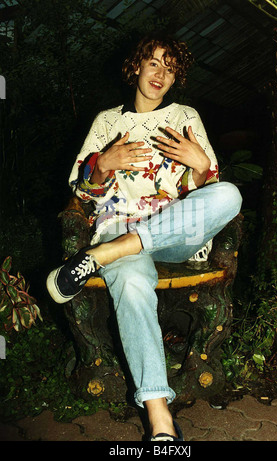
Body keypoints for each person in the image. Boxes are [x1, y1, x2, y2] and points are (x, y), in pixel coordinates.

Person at [47, 34, 242, 441]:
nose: (161, 73)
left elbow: (205, 195)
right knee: (133, 282)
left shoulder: (186, 117)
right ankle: (160, 419)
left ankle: (107, 253)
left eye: (170, 68)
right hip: (118, 225)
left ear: (176, 79)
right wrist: (102, 166)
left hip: (175, 233)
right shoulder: (106, 122)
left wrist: (202, 167)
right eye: (154, 63)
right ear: (135, 67)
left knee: (230, 194)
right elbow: (81, 193)